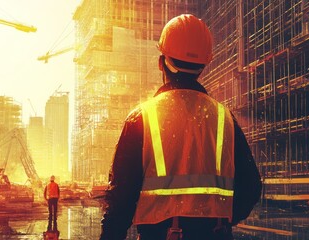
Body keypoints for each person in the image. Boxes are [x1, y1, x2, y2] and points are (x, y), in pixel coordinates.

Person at [100, 14, 262, 240]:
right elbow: (252, 186)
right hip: (216, 233)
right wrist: (222, 220)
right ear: (204, 65)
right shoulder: (225, 118)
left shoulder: (142, 118)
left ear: (161, 63)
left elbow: (121, 198)